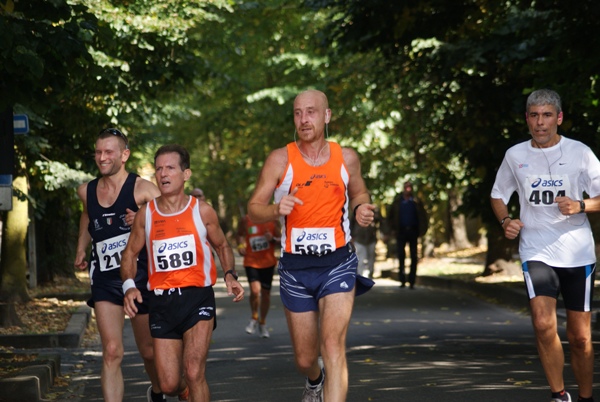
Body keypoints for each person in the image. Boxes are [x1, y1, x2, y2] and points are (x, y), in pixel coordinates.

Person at [247, 89, 375, 402]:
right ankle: (314, 381)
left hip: (338, 263)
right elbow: (254, 207)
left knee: (332, 346)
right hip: (296, 268)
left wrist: (362, 208)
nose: (304, 119)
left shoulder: (346, 157)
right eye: (298, 113)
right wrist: (276, 209)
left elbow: (359, 193)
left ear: (327, 115)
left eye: (311, 111)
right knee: (306, 359)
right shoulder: (280, 159)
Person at [491, 89, 599, 402]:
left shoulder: (580, 152)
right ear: (527, 119)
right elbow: (498, 194)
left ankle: (586, 397)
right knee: (542, 323)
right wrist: (505, 221)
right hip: (536, 249)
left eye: (547, 115)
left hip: (577, 252)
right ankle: (558, 394)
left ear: (559, 118)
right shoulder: (515, 155)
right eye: (534, 115)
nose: (540, 123)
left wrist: (580, 206)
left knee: (580, 338)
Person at [121, 144, 244, 402]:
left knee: (194, 370)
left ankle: (192, 386)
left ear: (185, 174)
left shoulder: (202, 211)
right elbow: (130, 253)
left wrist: (230, 275)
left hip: (197, 298)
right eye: (158, 169)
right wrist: (129, 286)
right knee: (168, 384)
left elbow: (222, 245)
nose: (163, 174)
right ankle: (184, 391)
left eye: (170, 168)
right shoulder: (147, 215)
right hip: (162, 302)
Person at [74, 127, 165, 402]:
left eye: (109, 152)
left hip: (138, 279)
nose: (102, 157)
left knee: (148, 351)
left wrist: (143, 218)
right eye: (98, 152)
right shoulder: (85, 190)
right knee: (112, 350)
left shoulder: (144, 189)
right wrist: (81, 246)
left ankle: (158, 393)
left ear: (124, 155)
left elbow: (170, 222)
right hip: (104, 279)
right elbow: (88, 216)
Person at [236, 213, 281, 338]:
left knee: (265, 294)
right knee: (255, 291)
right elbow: (239, 234)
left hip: (268, 262)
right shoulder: (246, 219)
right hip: (251, 261)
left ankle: (262, 322)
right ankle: (254, 317)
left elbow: (281, 239)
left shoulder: (273, 219)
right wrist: (240, 245)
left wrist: (272, 238)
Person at [388, 181, 428, 289]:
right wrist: (391, 230)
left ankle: (412, 281)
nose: (408, 189)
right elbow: (390, 216)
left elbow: (423, 217)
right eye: (406, 187)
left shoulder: (416, 201)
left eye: (410, 187)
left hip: (413, 231)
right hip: (400, 231)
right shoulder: (397, 201)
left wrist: (422, 230)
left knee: (414, 255)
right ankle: (402, 279)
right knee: (401, 255)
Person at [351, 204, 380, 279]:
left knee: (371, 259)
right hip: (359, 238)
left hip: (371, 238)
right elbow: (351, 223)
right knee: (360, 259)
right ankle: (360, 276)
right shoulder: (356, 210)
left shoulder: (374, 211)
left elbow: (381, 221)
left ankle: (370, 274)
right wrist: (351, 236)